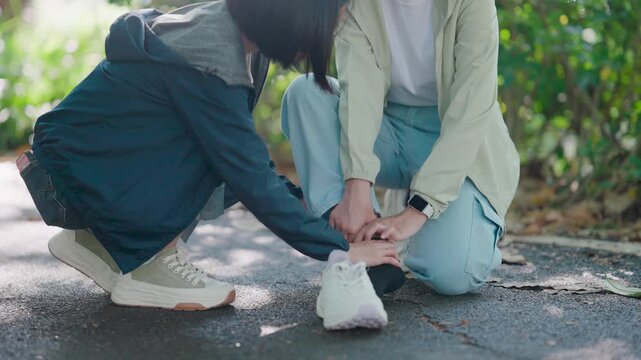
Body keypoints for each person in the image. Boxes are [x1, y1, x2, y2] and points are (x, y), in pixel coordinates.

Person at [17, 0, 398, 330]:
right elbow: (247, 174)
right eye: (331, 21)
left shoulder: (238, 37)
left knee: (221, 155)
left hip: (82, 167)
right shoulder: (212, 55)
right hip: (70, 176)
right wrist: (339, 250)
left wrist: (316, 218)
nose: (330, 34)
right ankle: (149, 264)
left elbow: (246, 161)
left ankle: (98, 240)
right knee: (218, 158)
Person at [282, 0, 520, 305]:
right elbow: (359, 95)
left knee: (454, 273)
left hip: (459, 145)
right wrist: (356, 188)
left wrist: (416, 211)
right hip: (388, 130)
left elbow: (470, 114)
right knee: (306, 94)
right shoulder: (355, 4)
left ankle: (447, 215)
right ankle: (361, 252)